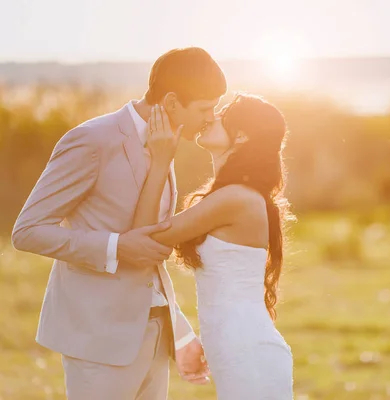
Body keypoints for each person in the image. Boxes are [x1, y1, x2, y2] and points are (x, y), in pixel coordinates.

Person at [11, 47, 225, 399]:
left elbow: (148, 251)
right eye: (205, 108)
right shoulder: (92, 140)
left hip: (154, 334)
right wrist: (115, 247)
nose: (210, 117)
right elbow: (27, 231)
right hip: (99, 339)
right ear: (171, 102)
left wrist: (180, 331)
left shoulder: (163, 145)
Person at [132, 94, 294, 399]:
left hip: (250, 353)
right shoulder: (230, 195)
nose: (210, 117)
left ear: (242, 134)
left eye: (221, 114)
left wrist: (161, 161)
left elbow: (144, 236)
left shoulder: (235, 198)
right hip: (240, 349)